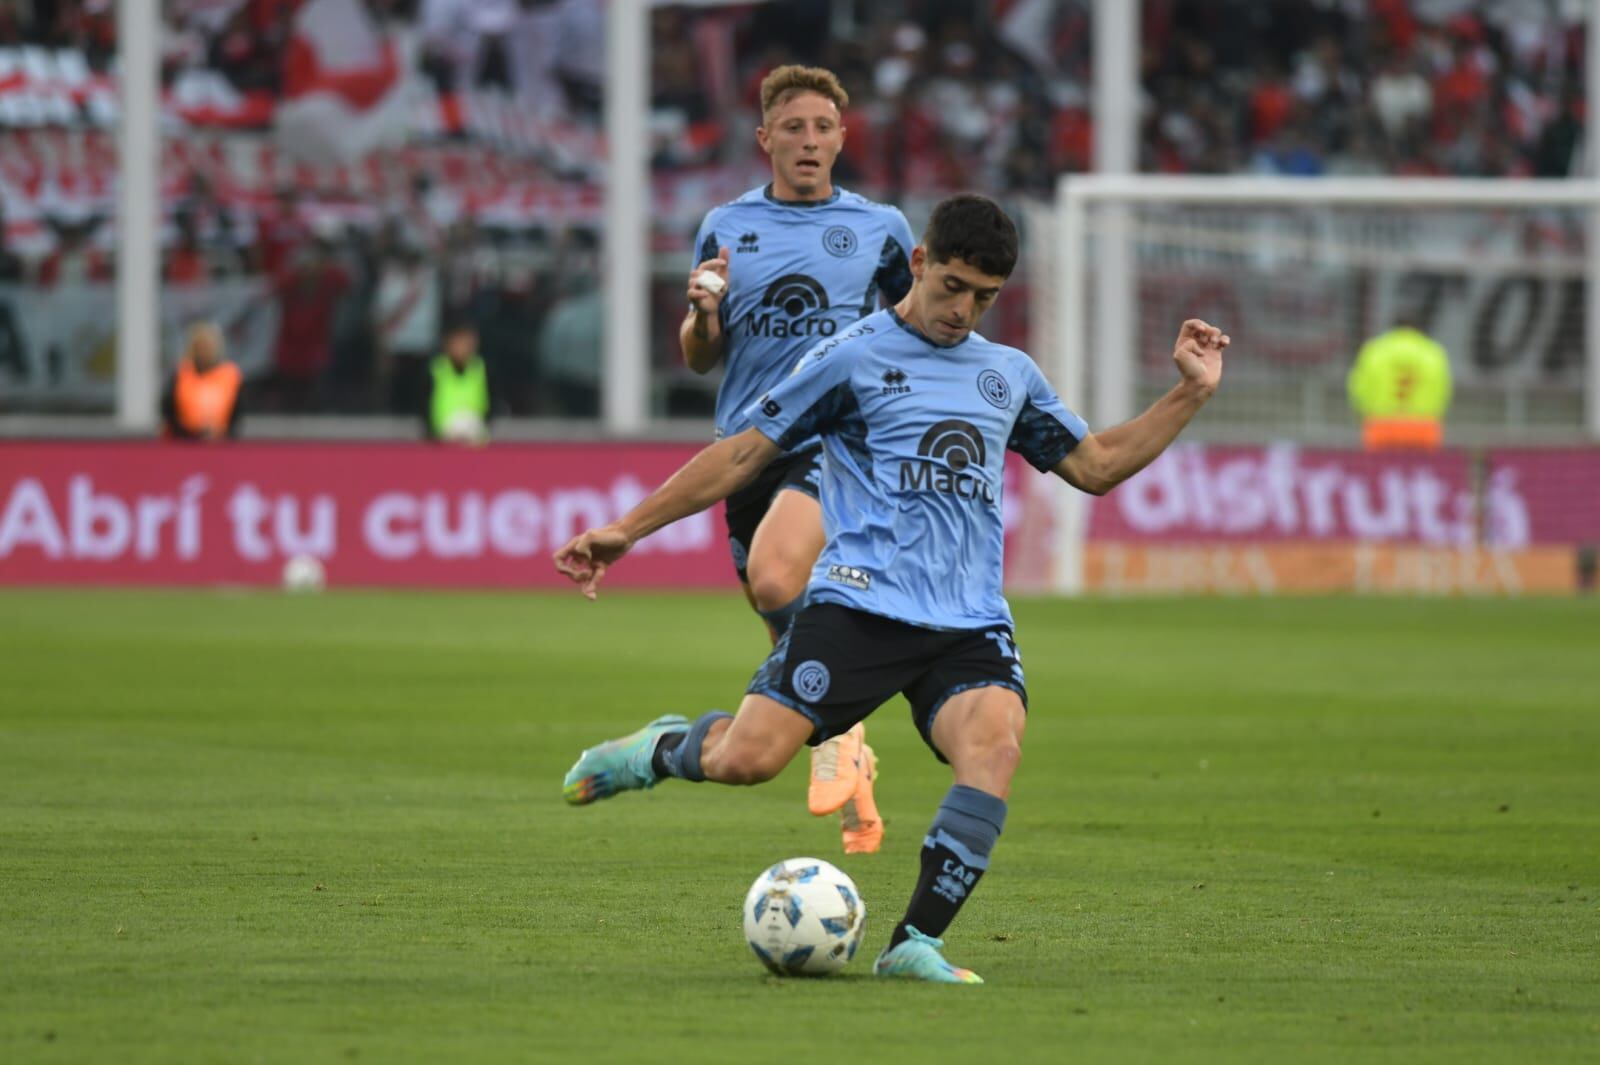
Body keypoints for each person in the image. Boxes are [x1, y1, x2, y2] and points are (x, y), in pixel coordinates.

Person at [555, 195, 1228, 984]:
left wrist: (1190, 392)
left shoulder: (1006, 375)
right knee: (749, 758)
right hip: (860, 608)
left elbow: (1097, 465)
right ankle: (660, 749)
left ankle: (915, 941)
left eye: (984, 296)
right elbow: (742, 455)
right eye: (952, 286)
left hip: (967, 621)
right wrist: (627, 529)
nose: (963, 309)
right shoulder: (853, 357)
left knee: (995, 748)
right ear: (918, 262)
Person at [681, 64, 916, 853]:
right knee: (790, 632)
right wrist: (704, 313)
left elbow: (916, 326)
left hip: (834, 443)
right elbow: (698, 357)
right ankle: (853, 765)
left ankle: (839, 737)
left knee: (779, 579)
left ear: (843, 138)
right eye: (793, 128)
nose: (809, 141)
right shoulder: (725, 224)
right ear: (765, 140)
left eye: (822, 128)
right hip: (746, 452)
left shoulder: (881, 228)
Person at [1347, 313, 1452, 451]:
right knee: (1418, 469)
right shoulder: (1432, 352)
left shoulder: (1375, 350)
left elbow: (1358, 389)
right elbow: (1443, 391)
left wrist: (1365, 412)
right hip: (1423, 427)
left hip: (1382, 426)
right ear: (1418, 329)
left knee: (1380, 470)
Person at [161, 321, 242, 441]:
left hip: (221, 441)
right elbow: (168, 409)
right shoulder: (181, 373)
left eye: (207, 347)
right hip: (184, 440)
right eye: (199, 347)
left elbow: (238, 412)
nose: (204, 352)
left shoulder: (229, 375)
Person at [424, 322, 492, 444]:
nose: (462, 348)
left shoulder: (482, 368)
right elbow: (423, 400)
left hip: (474, 426)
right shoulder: (436, 368)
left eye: (467, 343)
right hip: (443, 429)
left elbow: (491, 399)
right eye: (458, 343)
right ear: (448, 344)